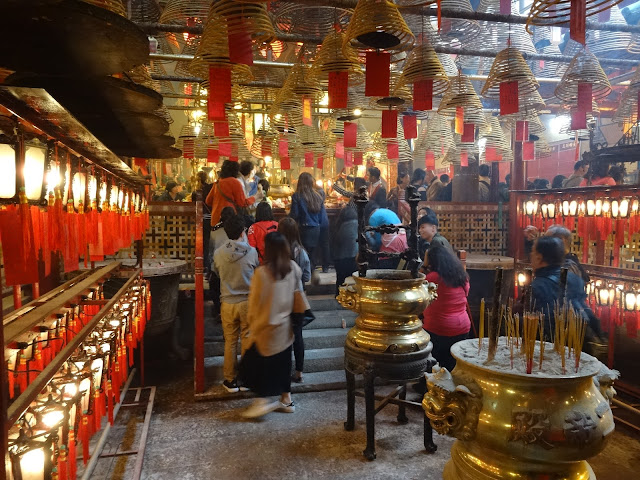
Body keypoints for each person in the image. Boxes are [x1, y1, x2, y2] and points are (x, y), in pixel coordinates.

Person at [241, 232, 307, 417]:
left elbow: (254, 304)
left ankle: (261, 401)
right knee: (284, 365)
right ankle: (286, 400)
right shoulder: (293, 268)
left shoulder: (261, 274)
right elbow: (298, 295)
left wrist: (251, 325)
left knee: (260, 366)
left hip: (265, 328)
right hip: (285, 328)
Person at [212, 215, 259, 393]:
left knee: (230, 341)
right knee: (247, 339)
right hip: (247, 301)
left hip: (227, 302)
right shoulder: (252, 252)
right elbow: (257, 271)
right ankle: (246, 379)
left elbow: (216, 272)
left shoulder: (218, 253)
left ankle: (230, 380)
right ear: (243, 231)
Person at [529, 236, 602, 340]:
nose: (530, 255)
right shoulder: (574, 278)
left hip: (555, 343)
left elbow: (545, 323)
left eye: (533, 252)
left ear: (539, 257)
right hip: (579, 338)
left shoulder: (540, 284)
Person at [422, 245, 470, 372]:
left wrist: (424, 266)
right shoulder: (462, 276)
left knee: (435, 365)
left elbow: (421, 300)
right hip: (462, 327)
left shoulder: (432, 278)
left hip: (439, 329)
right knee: (453, 363)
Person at [278, 218, 312, 384]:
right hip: (297, 297)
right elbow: (307, 276)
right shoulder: (302, 252)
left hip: (281, 298)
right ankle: (299, 372)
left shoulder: (277, 252)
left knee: (282, 336)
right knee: (297, 336)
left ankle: (282, 371)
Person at [331, 178, 365, 296]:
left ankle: (339, 295)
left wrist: (335, 185)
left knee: (341, 278)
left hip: (342, 257)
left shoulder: (357, 195)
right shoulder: (364, 196)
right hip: (352, 255)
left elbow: (345, 193)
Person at [206, 160, 262, 225]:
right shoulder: (235, 182)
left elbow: (208, 201)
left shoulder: (217, 183)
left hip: (215, 219)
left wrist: (218, 204)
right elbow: (243, 203)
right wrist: (256, 197)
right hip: (229, 219)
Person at [289, 172, 327, 267]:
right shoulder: (318, 196)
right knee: (312, 255)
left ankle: (305, 278)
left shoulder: (297, 196)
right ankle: (312, 275)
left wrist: (287, 216)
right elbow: (322, 217)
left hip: (303, 229)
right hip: (316, 229)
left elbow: (295, 214)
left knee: (303, 255)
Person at [209, 206, 236, 315]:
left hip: (219, 266)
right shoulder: (239, 229)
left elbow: (211, 251)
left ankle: (218, 310)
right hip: (235, 266)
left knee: (214, 286)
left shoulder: (215, 230)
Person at [365, 202, 407, 269]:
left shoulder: (373, 218)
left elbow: (378, 241)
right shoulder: (387, 211)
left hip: (391, 243)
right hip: (403, 239)